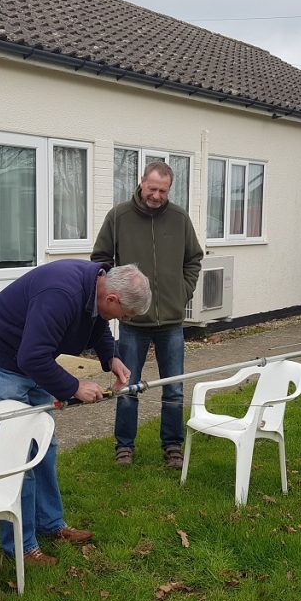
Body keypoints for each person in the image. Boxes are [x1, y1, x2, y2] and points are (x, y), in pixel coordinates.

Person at [0, 260, 151, 566]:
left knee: (44, 445)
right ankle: (21, 545)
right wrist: (73, 387)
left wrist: (112, 359)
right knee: (17, 454)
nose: (122, 320)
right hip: (3, 360)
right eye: (125, 315)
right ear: (112, 298)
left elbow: (98, 326)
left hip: (34, 360)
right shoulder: (61, 293)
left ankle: (51, 523)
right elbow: (31, 356)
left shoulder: (98, 287)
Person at [91, 161, 203, 469]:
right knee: (128, 384)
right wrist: (117, 295)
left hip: (171, 321)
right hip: (133, 322)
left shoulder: (180, 218)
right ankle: (124, 446)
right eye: (152, 188)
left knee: (175, 386)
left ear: (170, 189)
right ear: (142, 182)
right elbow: (99, 260)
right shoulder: (119, 216)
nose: (156, 195)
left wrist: (183, 292)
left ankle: (172, 446)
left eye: (163, 191)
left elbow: (194, 259)